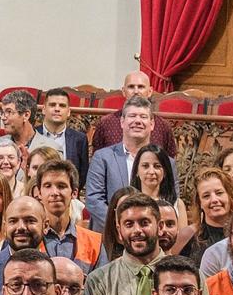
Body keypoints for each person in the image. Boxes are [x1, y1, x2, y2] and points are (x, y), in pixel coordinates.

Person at [83, 191, 165, 295]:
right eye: (129, 224)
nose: (137, 230)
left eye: (144, 222)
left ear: (160, 226)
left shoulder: (187, 277)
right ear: (119, 231)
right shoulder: (98, 281)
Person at [86, 96, 156, 231]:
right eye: (132, 116)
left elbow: (170, 199)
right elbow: (93, 199)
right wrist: (120, 225)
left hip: (150, 235)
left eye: (143, 116)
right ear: (122, 122)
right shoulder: (102, 157)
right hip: (109, 234)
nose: (137, 121)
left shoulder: (165, 162)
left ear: (152, 124)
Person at [89, 72, 176, 153]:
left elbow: (168, 163)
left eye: (141, 87)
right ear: (123, 91)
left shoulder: (163, 126)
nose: (136, 91)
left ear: (150, 91)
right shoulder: (106, 123)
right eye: (131, 87)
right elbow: (98, 157)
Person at [32, 87, 91, 184]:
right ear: (43, 109)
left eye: (62, 106)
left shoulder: (79, 139)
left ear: (68, 112)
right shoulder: (33, 134)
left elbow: (82, 174)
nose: (57, 109)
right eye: (52, 105)